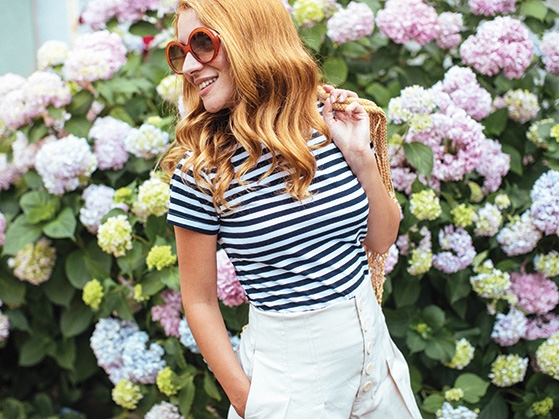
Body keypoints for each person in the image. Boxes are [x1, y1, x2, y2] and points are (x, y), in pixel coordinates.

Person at [161, 0, 422, 417]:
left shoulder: (329, 125)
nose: (190, 66)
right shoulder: (202, 172)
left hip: (378, 363)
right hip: (293, 385)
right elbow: (199, 302)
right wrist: (251, 404)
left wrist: (359, 154)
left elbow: (381, 238)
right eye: (180, 52)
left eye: (202, 43)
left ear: (253, 37)